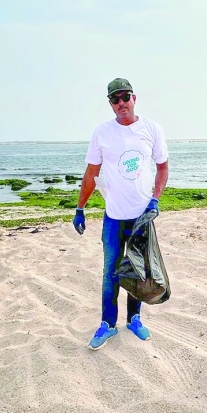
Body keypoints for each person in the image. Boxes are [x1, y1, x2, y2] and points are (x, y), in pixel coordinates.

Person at [73, 78, 170, 350]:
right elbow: (92, 174)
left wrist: (155, 200)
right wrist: (80, 208)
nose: (121, 103)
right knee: (111, 271)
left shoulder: (151, 129)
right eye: (115, 99)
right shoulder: (102, 133)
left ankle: (135, 319)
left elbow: (162, 167)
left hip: (142, 217)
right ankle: (107, 324)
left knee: (139, 268)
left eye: (125, 97)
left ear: (134, 98)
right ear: (110, 103)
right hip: (114, 217)